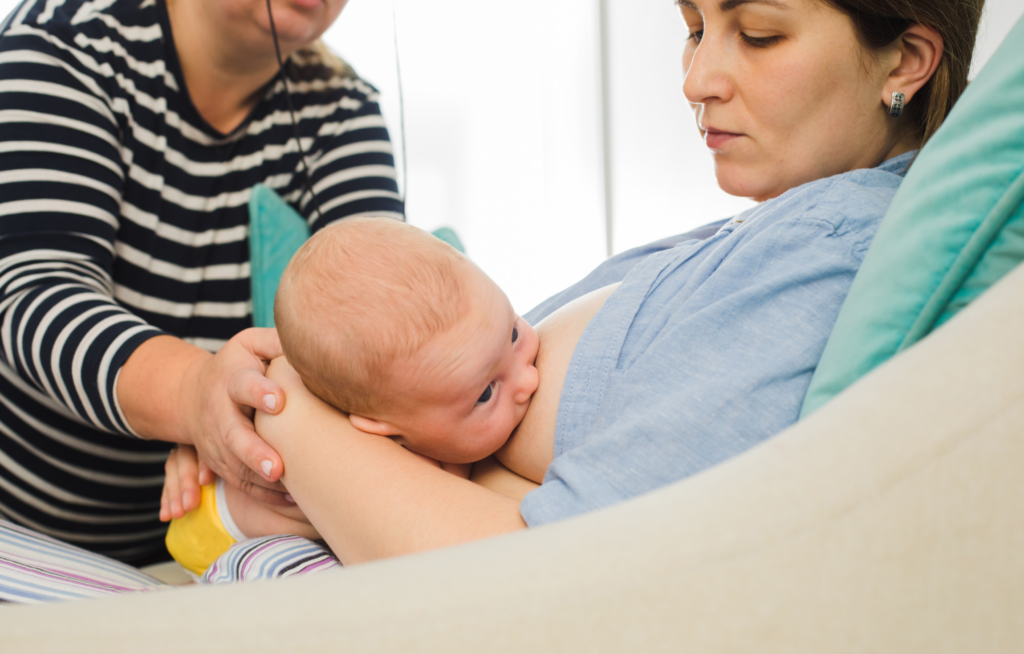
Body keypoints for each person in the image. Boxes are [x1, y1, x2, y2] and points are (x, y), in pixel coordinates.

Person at [214, 0, 982, 566]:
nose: (696, 80)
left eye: (758, 34)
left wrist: (286, 412)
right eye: (693, 28)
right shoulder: (767, 227)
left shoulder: (830, 251)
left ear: (905, 61)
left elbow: (555, 577)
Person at [0, 0, 402, 564]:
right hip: (18, 532)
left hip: (204, 550)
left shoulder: (343, 109)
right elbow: (36, 293)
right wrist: (199, 398)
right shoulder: (63, 44)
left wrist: (237, 415)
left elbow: (381, 335)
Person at [163, 216, 616, 576]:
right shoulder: (391, 466)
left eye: (513, 333)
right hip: (207, 527)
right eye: (484, 394)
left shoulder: (432, 393)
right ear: (384, 429)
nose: (528, 380)